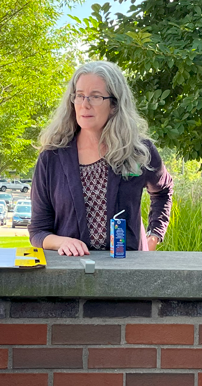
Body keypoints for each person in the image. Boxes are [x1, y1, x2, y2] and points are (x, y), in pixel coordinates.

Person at [29, 60, 173, 256]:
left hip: (128, 273)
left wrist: (153, 235)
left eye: (95, 97)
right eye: (79, 96)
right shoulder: (51, 158)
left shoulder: (139, 151)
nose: (84, 104)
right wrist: (61, 242)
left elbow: (163, 190)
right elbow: (38, 232)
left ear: (114, 105)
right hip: (73, 275)